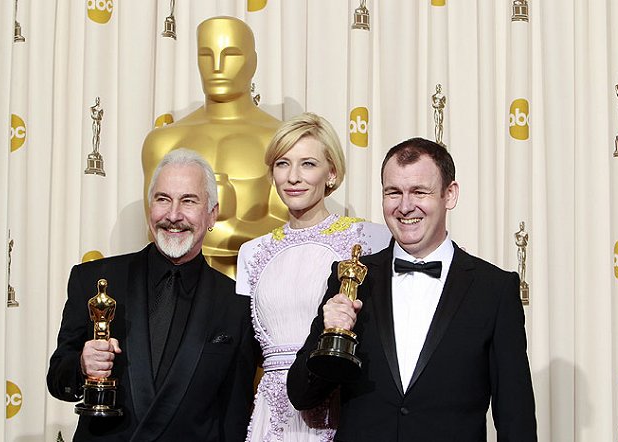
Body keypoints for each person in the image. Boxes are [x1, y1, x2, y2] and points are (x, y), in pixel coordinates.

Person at [287, 137, 537, 441]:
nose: (405, 207)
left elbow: (516, 415)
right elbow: (301, 394)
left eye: (420, 191)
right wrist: (329, 337)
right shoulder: (351, 277)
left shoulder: (494, 289)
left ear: (450, 194)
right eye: (393, 192)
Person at [47, 148, 257, 441]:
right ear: (150, 209)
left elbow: (233, 416)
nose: (173, 215)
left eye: (188, 201)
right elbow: (58, 379)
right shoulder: (93, 280)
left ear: (212, 214)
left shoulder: (237, 303)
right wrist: (82, 366)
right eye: (163, 199)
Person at [236, 113, 392, 442]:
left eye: (307, 164)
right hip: (272, 413)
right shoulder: (252, 252)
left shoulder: (369, 238)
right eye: (282, 163)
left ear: (331, 172)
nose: (293, 177)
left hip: (340, 403)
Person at [142, 16, 288, 277]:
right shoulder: (163, 141)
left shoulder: (281, 139)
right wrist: (230, 228)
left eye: (230, 55)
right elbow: (157, 230)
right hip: (178, 294)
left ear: (253, 62)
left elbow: (288, 233)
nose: (217, 67)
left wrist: (208, 227)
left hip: (258, 293)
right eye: (206, 55)